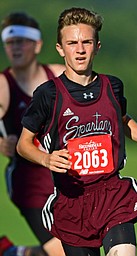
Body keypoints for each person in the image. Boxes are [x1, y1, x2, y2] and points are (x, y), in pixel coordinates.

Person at [16, 7, 137, 256]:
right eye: (72, 43)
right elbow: (24, 144)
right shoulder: (48, 94)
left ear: (97, 46)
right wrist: (46, 158)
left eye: (86, 42)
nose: (80, 49)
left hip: (111, 195)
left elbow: (123, 119)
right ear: (60, 49)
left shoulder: (113, 86)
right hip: (72, 200)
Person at [0, 12, 65, 256]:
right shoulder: (3, 84)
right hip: (28, 183)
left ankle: (13, 253)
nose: (15, 48)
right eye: (10, 43)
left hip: (64, 177)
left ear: (37, 45)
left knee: (80, 249)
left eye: (21, 42)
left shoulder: (58, 76)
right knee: (65, 252)